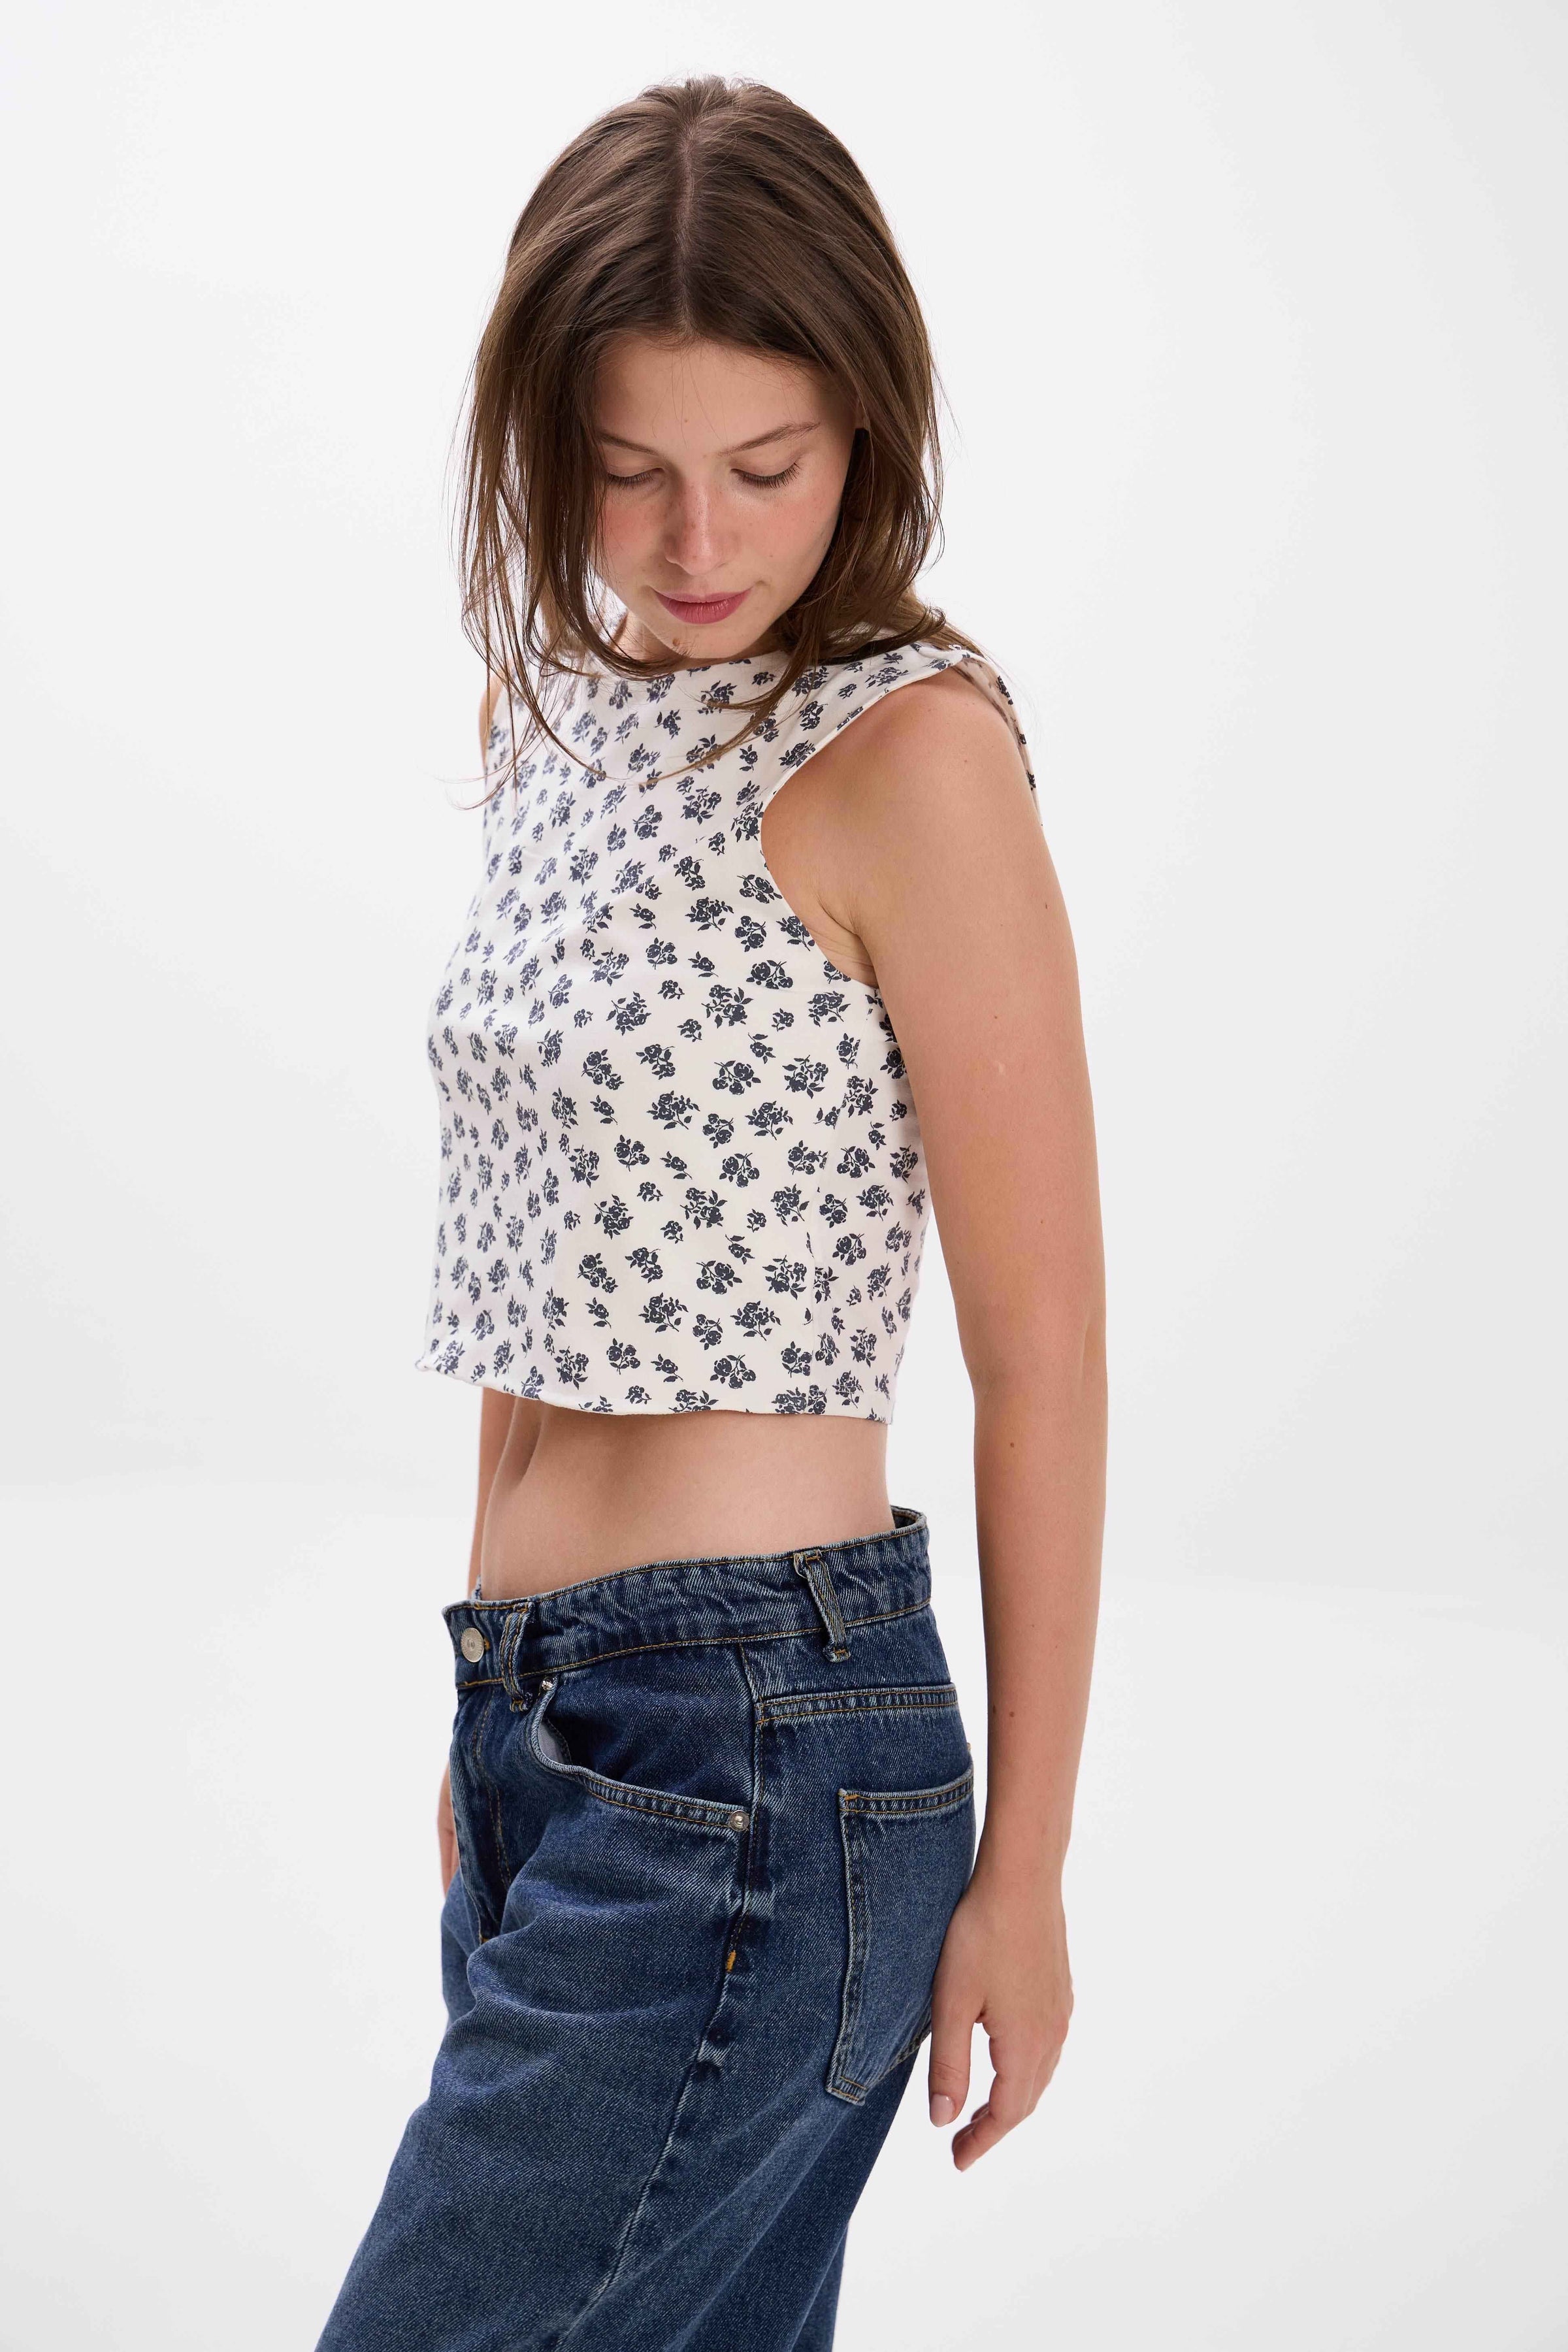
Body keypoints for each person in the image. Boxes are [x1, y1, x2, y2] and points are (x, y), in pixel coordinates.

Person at [315, 71, 1105, 2352]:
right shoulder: (546, 715)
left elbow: (1044, 1355)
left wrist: (1029, 1871)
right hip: (544, 1733)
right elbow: (535, 1264)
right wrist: (483, 1711)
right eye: (627, 465)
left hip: (761, 1749)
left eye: (764, 464)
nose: (693, 536)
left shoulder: (912, 755)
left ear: (865, 423)